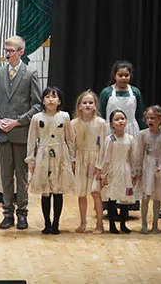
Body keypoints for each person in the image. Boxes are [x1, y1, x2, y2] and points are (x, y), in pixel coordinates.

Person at [0, 35, 41, 230]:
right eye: (6, 50)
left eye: (11, 50)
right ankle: (7, 212)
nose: (7, 54)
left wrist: (18, 121)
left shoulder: (31, 73)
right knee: (6, 176)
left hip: (21, 133)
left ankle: (22, 212)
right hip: (3, 133)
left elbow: (37, 105)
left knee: (22, 176)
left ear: (21, 52)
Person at [25, 86, 75, 235]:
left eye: (54, 97)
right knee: (45, 191)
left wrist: (72, 158)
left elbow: (70, 139)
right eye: (47, 97)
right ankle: (47, 223)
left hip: (61, 155)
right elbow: (31, 140)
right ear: (43, 101)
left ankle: (56, 223)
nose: (51, 100)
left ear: (59, 101)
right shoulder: (37, 118)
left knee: (58, 190)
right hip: (43, 155)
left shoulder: (65, 117)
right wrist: (31, 160)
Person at [70, 90, 107, 234]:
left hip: (95, 159)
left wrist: (100, 165)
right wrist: (73, 160)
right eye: (84, 102)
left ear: (95, 106)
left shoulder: (101, 123)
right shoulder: (74, 123)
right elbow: (72, 144)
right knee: (81, 193)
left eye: (91, 102)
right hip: (81, 159)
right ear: (79, 106)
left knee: (96, 192)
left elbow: (103, 145)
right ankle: (83, 222)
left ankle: (99, 224)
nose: (87, 105)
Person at [94, 110, 136, 234]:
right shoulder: (110, 139)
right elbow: (106, 158)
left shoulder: (130, 138)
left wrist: (134, 172)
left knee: (124, 199)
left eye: (122, 118)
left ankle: (123, 224)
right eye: (116, 119)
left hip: (125, 170)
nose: (120, 121)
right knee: (112, 198)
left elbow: (132, 157)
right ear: (112, 124)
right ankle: (112, 225)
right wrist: (104, 174)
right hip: (113, 170)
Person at [135, 105, 161, 234]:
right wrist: (138, 170)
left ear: (160, 119)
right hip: (147, 166)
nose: (150, 120)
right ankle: (144, 225)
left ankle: (155, 225)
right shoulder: (143, 134)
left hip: (159, 165)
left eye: (153, 118)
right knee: (145, 196)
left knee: (157, 197)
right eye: (148, 118)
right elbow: (139, 153)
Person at [98, 60, 145, 137]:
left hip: (131, 130)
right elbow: (101, 115)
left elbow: (140, 116)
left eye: (126, 75)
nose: (123, 78)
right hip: (111, 131)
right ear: (114, 76)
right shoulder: (106, 92)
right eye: (120, 75)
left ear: (130, 75)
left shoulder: (135, 92)